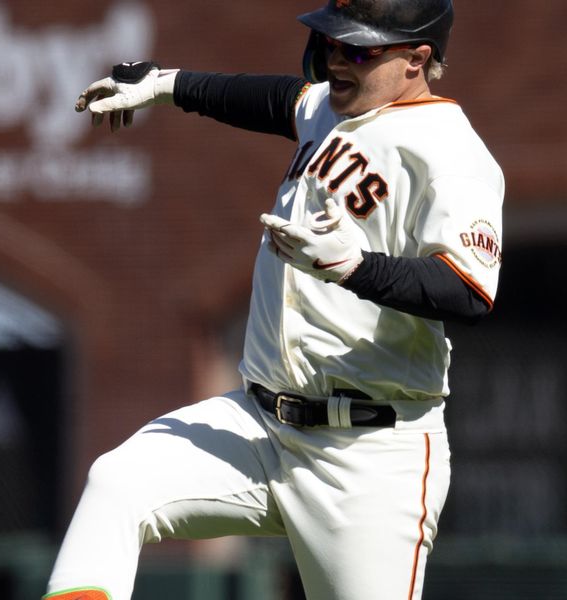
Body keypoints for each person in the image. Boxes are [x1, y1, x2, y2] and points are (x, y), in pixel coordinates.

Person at [46, 0, 503, 598]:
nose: (336, 59)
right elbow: (275, 99)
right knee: (117, 484)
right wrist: (165, 85)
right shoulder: (335, 109)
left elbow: (468, 290)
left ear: (417, 58)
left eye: (358, 49)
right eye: (333, 43)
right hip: (261, 422)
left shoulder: (451, 150)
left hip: (370, 456)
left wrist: (354, 267)